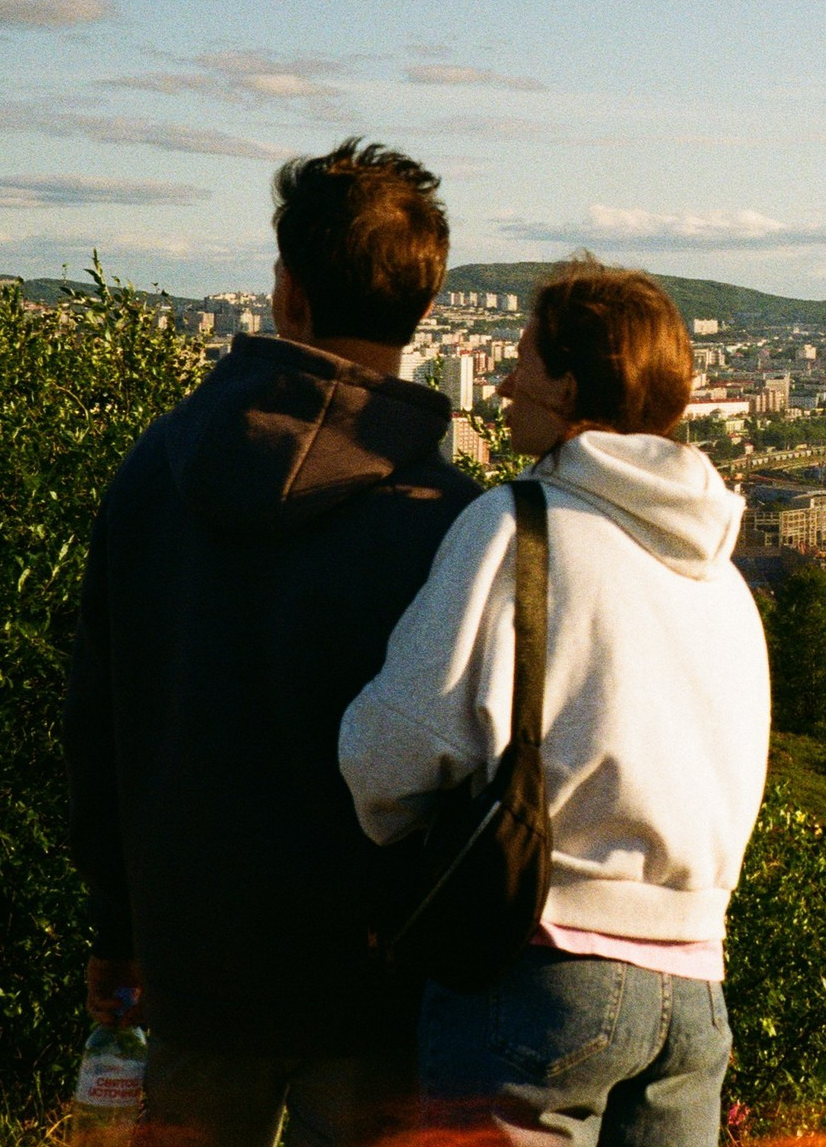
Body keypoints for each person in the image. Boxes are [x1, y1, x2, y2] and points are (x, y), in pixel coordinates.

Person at [66, 139, 480, 1147]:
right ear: (426, 305)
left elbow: (96, 721)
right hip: (375, 975)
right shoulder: (452, 519)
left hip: (192, 958)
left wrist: (117, 925)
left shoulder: (154, 473)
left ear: (286, 291)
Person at [340, 257, 771, 1147]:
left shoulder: (516, 524)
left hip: (542, 966)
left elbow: (391, 751)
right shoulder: (723, 577)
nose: (502, 384)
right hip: (697, 992)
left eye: (521, 360)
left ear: (570, 386)